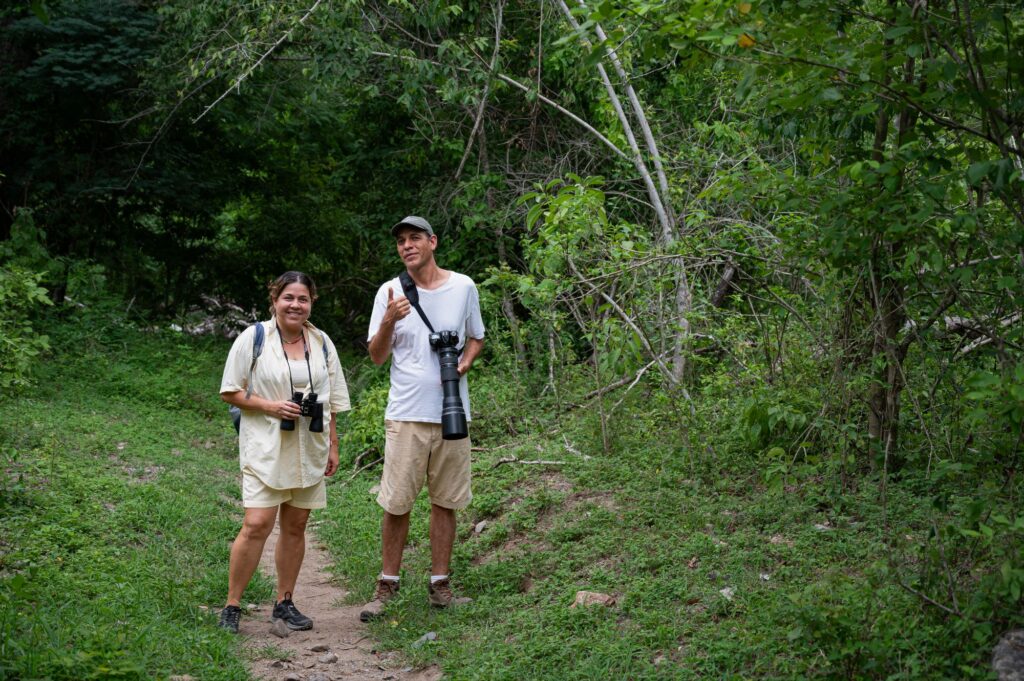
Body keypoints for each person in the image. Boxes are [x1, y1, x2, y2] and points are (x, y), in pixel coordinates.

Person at [360, 216, 485, 621]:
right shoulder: (390, 291)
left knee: (446, 501)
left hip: (453, 412)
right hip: (406, 414)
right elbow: (377, 356)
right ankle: (386, 586)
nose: (407, 245)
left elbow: (477, 337)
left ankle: (440, 586)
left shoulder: (463, 286)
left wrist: (464, 363)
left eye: (414, 238)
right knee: (397, 503)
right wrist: (389, 320)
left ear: (433, 242)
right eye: (401, 241)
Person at [217, 271, 350, 634]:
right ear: (274, 300)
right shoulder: (254, 338)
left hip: (310, 447)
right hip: (266, 447)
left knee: (296, 525)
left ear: (311, 303)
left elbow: (332, 400)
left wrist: (334, 445)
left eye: (303, 299)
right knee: (257, 524)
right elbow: (229, 391)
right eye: (288, 297)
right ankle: (232, 605)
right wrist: (271, 406)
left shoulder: (322, 342)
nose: (295, 305)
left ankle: (284, 602)